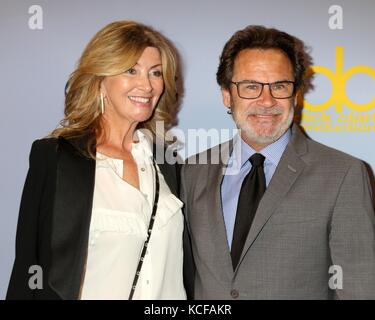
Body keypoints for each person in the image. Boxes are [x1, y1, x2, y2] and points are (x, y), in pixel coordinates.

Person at [181, 25, 375, 299]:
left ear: (296, 94)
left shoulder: (343, 174)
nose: (267, 101)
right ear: (227, 94)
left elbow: (360, 288)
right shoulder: (193, 171)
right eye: (251, 86)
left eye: (280, 86)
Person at [7, 21, 187, 300]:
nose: (147, 85)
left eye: (155, 73)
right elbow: (28, 268)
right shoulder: (57, 158)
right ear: (101, 79)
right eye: (131, 70)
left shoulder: (167, 162)